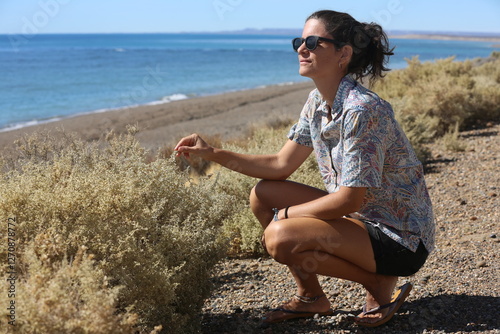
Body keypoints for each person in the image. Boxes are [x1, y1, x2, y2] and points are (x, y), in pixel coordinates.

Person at [174, 9, 434, 328]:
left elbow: (349, 201)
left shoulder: (361, 111)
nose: (301, 48)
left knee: (280, 237)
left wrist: (287, 216)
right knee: (263, 194)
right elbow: (280, 165)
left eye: (313, 41)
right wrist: (212, 152)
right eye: (299, 40)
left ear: (344, 53)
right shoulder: (316, 102)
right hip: (363, 219)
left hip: (400, 236)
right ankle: (312, 297)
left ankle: (377, 284)